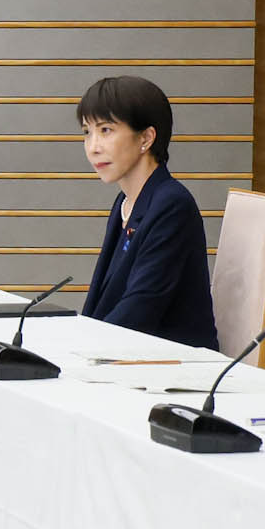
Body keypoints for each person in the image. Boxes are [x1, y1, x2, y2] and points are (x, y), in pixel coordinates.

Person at [75, 75, 216, 351]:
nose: (93, 147)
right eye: (86, 132)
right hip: (130, 357)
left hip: (172, 366)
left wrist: (86, 350)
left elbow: (141, 306)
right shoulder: (125, 202)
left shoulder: (172, 205)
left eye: (106, 130)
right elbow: (103, 298)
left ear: (146, 138)